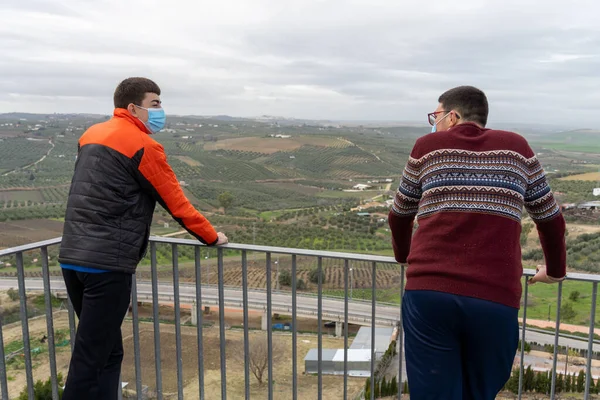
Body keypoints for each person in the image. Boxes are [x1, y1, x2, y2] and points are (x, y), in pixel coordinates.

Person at [389, 85, 566, 399]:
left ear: (453, 117)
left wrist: (405, 257)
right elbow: (550, 219)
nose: (434, 122)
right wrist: (555, 271)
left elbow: (399, 215)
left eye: (436, 115)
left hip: (430, 295)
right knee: (480, 392)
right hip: (495, 298)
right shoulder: (518, 148)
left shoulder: (427, 146)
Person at [57, 77, 228, 400]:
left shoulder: (91, 135)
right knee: (89, 360)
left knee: (108, 352)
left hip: (72, 257)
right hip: (107, 265)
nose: (161, 110)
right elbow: (176, 202)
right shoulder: (142, 145)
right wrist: (210, 236)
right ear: (133, 107)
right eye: (156, 103)